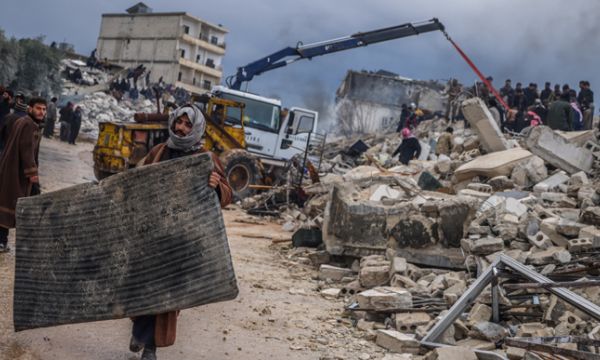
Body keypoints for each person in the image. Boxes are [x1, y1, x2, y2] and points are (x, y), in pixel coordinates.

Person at [129, 104, 233, 360]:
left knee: (167, 295)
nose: (180, 128)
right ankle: (139, 333)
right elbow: (134, 182)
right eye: (179, 122)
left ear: (196, 127)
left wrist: (215, 186)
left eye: (187, 124)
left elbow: (227, 197)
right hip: (152, 235)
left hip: (181, 240)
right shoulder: (159, 151)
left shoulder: (206, 158)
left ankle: (150, 346)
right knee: (143, 287)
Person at [0, 97, 47, 253]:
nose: (42, 112)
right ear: (30, 108)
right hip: (16, 173)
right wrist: (33, 175)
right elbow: (27, 151)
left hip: (10, 169)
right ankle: (3, 242)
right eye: (39, 108)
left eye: (44, 109)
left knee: (5, 204)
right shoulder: (30, 125)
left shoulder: (24, 121)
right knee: (10, 206)